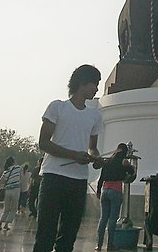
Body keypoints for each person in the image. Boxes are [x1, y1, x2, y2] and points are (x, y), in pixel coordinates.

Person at [32, 64, 104, 252]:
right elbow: (43, 143)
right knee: (45, 234)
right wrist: (74, 155)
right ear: (81, 82)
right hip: (53, 177)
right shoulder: (57, 107)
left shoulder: (95, 116)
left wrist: (95, 158)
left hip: (78, 181)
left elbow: (93, 148)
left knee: (68, 236)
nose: (96, 88)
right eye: (94, 84)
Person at [95, 143, 136, 251]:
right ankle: (110, 244)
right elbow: (132, 172)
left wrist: (98, 191)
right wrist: (129, 166)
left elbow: (101, 178)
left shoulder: (107, 162)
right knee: (113, 219)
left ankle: (98, 245)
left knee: (103, 218)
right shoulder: (123, 161)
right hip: (116, 190)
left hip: (105, 190)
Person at [0, 156, 22, 231]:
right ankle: (7, 224)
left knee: (6, 208)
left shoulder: (6, 171)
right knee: (14, 208)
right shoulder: (18, 167)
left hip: (7, 190)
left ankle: (0, 224)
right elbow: (21, 177)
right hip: (16, 190)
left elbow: (0, 181)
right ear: (13, 162)